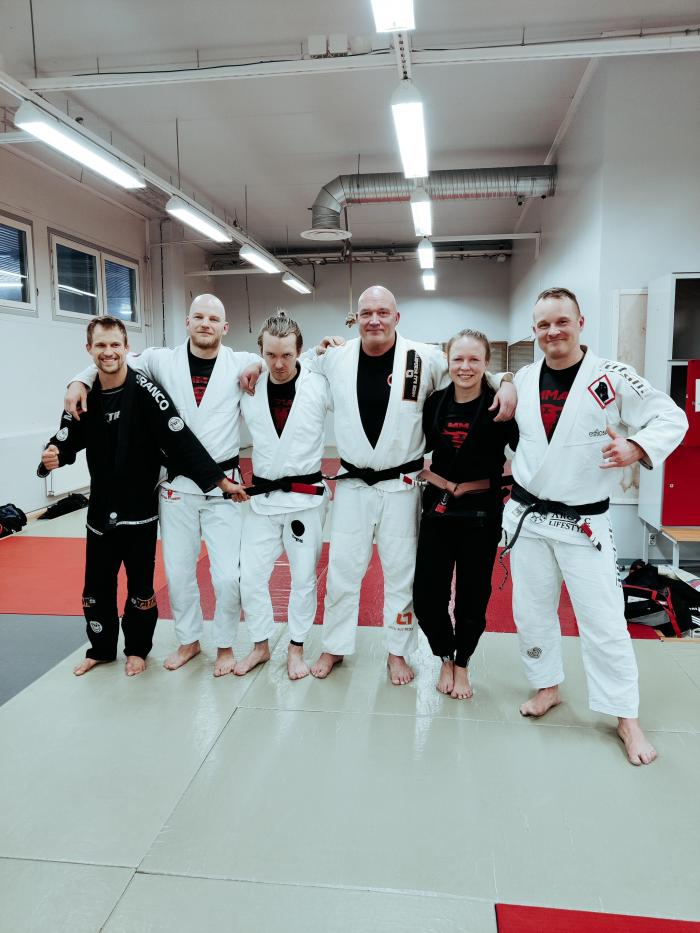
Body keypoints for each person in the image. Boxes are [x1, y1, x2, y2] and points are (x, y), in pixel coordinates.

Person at [502, 287, 688, 765]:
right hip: (527, 517)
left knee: (604, 620)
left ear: (581, 322)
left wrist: (637, 446)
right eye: (544, 324)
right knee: (531, 612)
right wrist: (503, 380)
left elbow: (671, 416)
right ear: (534, 330)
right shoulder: (524, 376)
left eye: (562, 321)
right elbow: (500, 383)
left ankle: (626, 717)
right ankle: (547, 686)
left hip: (583, 522)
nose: (553, 331)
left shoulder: (611, 375)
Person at [296, 285, 516, 685]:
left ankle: (397, 652)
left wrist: (507, 380)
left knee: (401, 573)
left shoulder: (424, 357)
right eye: (366, 313)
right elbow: (296, 368)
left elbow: (469, 372)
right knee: (342, 570)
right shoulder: (336, 357)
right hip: (353, 483)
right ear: (356, 318)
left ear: (396, 317)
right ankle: (334, 645)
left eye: (383, 312)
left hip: (402, 484)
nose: (374, 320)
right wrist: (269, 362)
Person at [64, 295, 261, 677]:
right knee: (179, 572)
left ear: (225, 327)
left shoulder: (241, 362)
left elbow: (274, 360)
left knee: (227, 576)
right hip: (176, 486)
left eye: (213, 319)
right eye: (198, 316)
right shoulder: (161, 359)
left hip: (223, 485)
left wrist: (265, 362)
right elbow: (111, 358)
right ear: (187, 322)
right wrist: (77, 380)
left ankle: (224, 645)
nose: (205, 324)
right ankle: (189, 640)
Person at [413, 329, 518, 699]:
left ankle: (462, 663)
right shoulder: (435, 402)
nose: (465, 366)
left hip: (481, 512)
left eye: (474, 359)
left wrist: (508, 381)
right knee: (427, 595)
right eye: (458, 358)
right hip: (438, 507)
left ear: (487, 362)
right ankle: (444, 653)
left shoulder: (501, 406)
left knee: (473, 596)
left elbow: (528, 447)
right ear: (448, 360)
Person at [234, 312, 331, 680]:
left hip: (305, 499)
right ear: (260, 352)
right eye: (270, 355)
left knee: (303, 579)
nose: (278, 364)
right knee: (249, 577)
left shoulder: (319, 384)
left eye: (286, 355)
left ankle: (296, 648)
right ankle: (260, 645)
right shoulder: (248, 383)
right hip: (261, 500)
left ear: (299, 351)